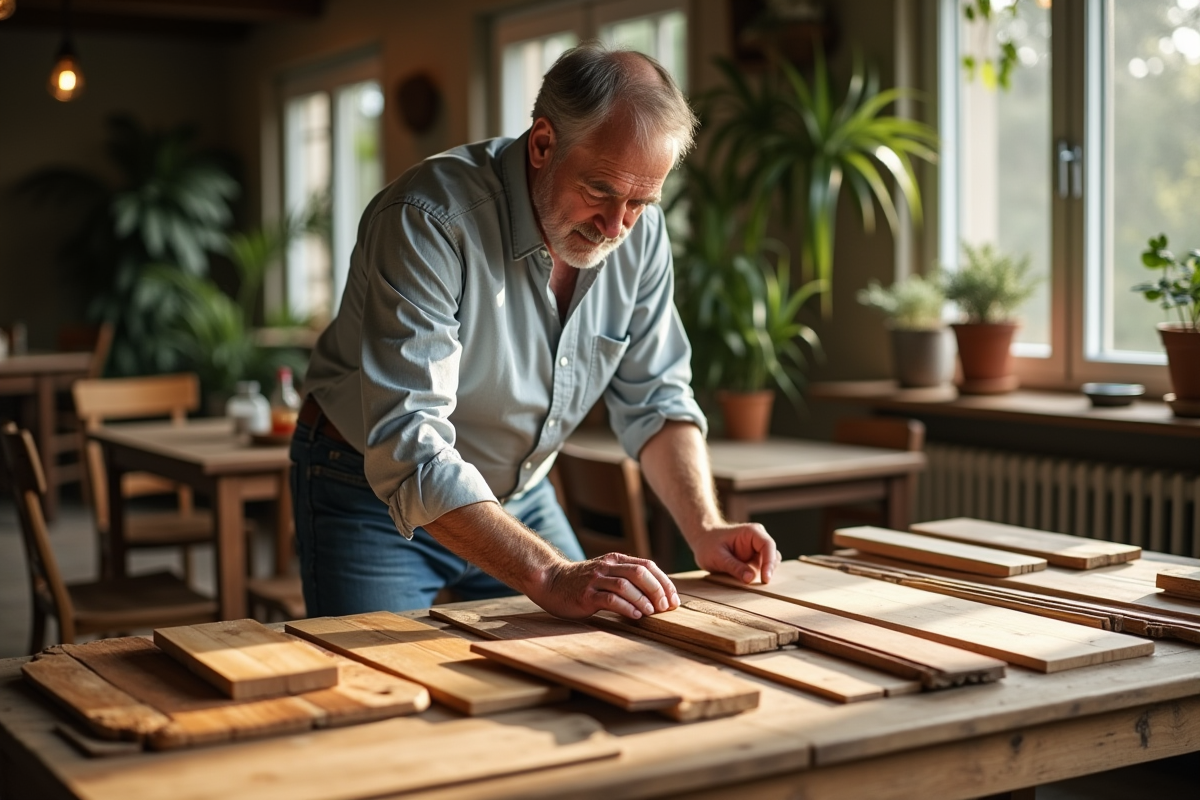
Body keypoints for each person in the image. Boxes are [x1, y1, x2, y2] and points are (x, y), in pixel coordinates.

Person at [292, 42, 780, 622]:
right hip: (367, 487)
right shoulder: (428, 221)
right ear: (544, 142)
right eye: (599, 190)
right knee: (374, 699)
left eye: (641, 203)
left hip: (517, 495)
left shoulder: (639, 234)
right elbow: (409, 446)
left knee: (599, 650)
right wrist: (549, 575)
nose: (614, 226)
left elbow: (657, 399)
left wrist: (705, 527)